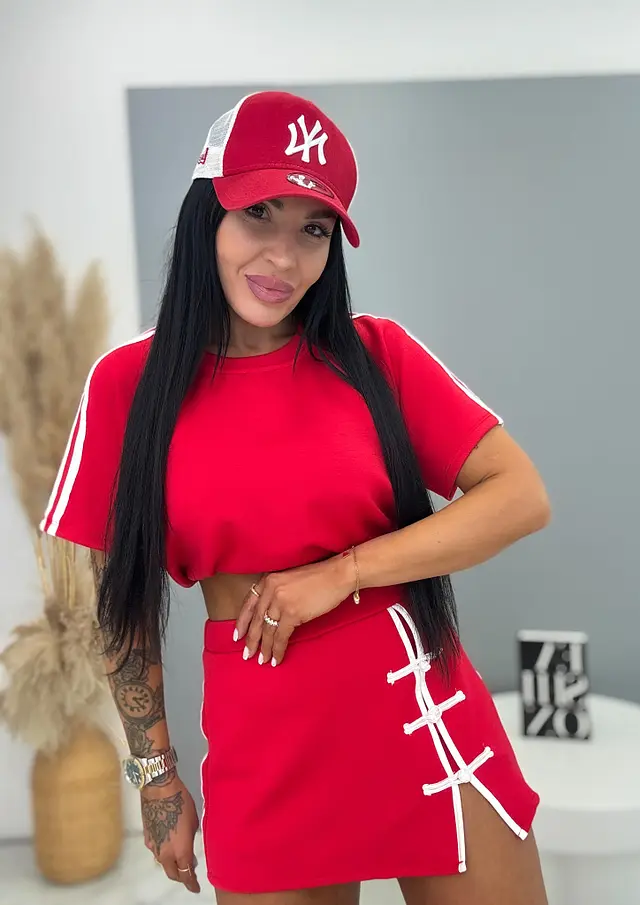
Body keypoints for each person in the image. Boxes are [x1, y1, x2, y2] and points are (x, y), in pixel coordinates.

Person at [40, 90, 551, 905]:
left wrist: (343, 571)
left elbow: (519, 495)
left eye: (313, 230)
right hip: (265, 746)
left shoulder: (376, 355)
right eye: (258, 215)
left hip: (421, 719)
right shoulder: (129, 386)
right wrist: (155, 776)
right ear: (208, 211)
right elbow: (122, 604)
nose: (282, 257)